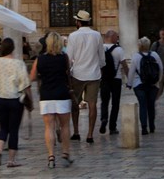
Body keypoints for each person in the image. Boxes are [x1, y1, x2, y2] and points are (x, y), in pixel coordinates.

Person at [30, 31, 74, 169]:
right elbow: (69, 73)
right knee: (65, 126)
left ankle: (51, 156)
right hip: (62, 94)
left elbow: (32, 77)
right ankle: (65, 153)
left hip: (46, 95)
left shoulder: (40, 59)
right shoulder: (64, 58)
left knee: (49, 127)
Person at [0, 37, 31, 168]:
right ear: (13, 48)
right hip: (15, 99)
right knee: (13, 129)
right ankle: (11, 160)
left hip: (0, 99)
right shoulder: (18, 64)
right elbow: (25, 83)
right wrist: (29, 99)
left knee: (3, 127)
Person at [66, 10, 105, 143]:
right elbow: (102, 57)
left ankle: (76, 131)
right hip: (94, 74)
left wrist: (68, 71)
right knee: (93, 104)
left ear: (78, 22)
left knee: (75, 103)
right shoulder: (97, 35)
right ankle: (90, 134)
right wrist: (99, 67)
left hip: (78, 74)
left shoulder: (73, 36)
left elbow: (69, 57)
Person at [127, 36, 163, 135]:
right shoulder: (155, 55)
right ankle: (152, 125)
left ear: (140, 45)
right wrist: (158, 81)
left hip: (139, 85)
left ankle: (144, 127)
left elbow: (131, 72)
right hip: (153, 85)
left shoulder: (136, 56)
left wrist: (129, 83)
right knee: (151, 105)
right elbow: (160, 68)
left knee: (143, 105)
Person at [99, 30, 128, 135]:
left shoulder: (100, 48)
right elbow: (124, 65)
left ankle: (104, 118)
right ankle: (112, 127)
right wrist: (129, 79)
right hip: (116, 79)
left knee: (104, 101)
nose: (117, 39)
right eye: (116, 37)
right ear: (111, 37)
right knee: (115, 103)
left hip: (104, 79)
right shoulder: (119, 49)